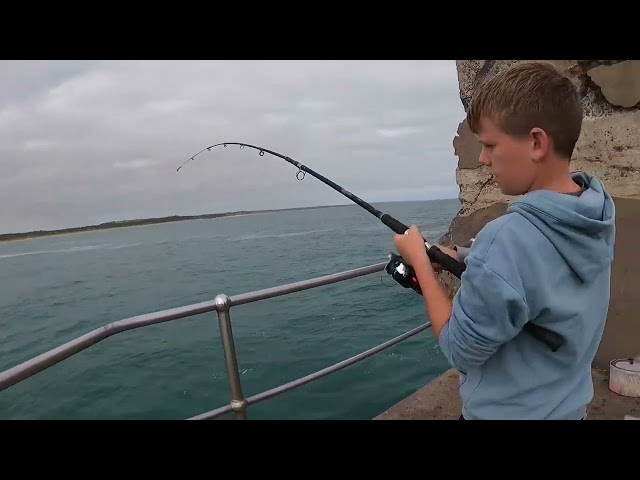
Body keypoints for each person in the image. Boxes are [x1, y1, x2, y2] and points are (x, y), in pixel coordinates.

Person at [393, 61, 616, 420]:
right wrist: (463, 254)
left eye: (490, 145)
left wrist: (420, 263)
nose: (482, 159)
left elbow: (459, 349)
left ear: (536, 143)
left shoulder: (507, 240)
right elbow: (541, 270)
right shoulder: (594, 211)